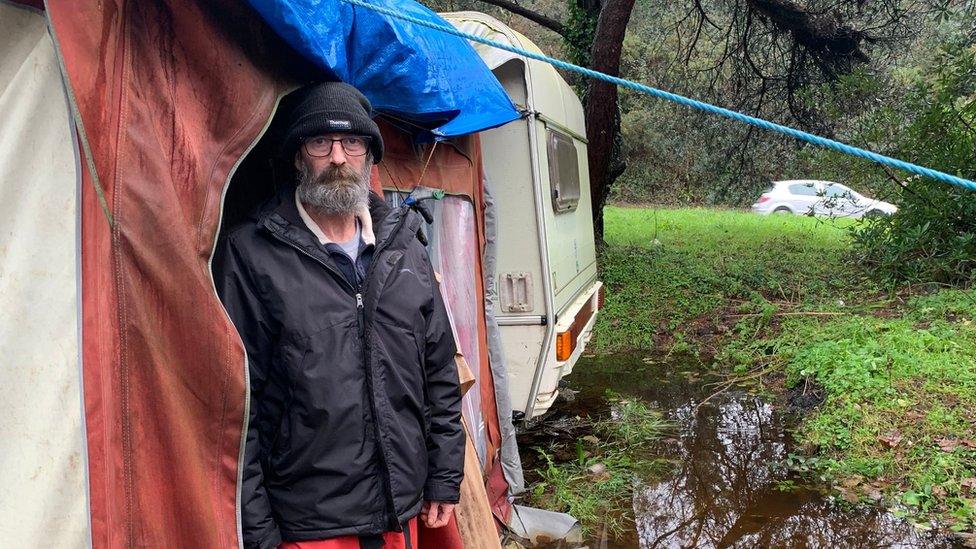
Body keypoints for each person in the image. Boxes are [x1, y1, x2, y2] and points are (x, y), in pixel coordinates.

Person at [215, 82, 464, 549]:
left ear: (369, 158)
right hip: (311, 525)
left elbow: (440, 373)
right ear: (297, 157)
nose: (337, 158)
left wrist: (444, 476)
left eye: (353, 143)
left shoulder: (404, 246)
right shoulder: (251, 255)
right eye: (319, 142)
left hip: (400, 508)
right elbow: (235, 407)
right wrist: (257, 530)